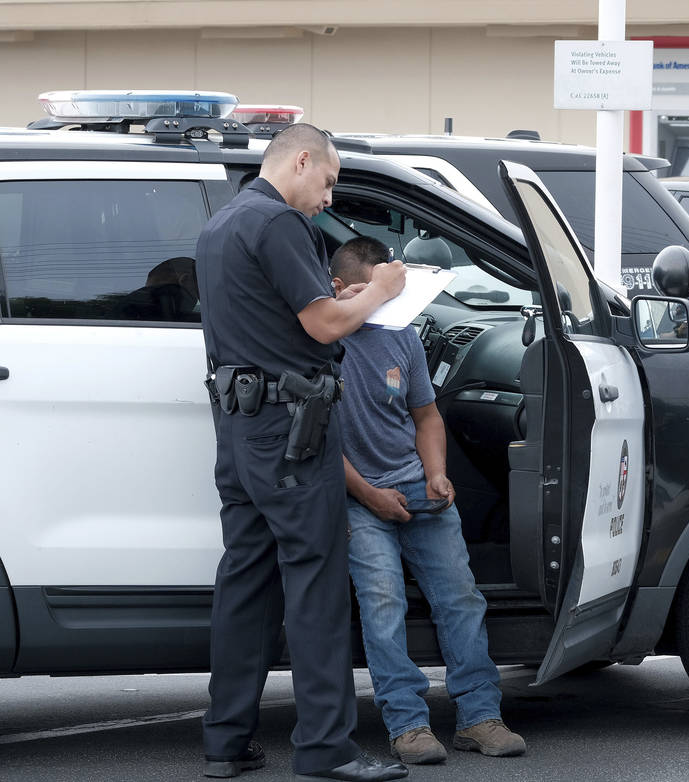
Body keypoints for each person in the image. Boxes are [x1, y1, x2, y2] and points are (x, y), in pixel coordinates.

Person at [195, 124, 410, 782]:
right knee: (314, 587)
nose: (328, 195)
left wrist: (337, 296)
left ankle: (226, 743)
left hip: (240, 433)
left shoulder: (223, 225)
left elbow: (284, 311)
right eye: (329, 181)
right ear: (303, 160)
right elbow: (318, 327)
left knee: (245, 589)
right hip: (293, 432)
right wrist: (379, 290)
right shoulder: (280, 222)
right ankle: (327, 750)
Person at [330, 236, 527, 765]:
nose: (390, 306)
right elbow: (320, 445)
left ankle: (480, 717)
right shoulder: (326, 343)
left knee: (462, 598)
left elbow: (427, 417)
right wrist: (370, 497)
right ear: (341, 290)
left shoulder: (404, 339)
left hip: (417, 486)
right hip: (357, 496)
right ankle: (408, 725)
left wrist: (437, 475)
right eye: (381, 293)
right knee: (383, 602)